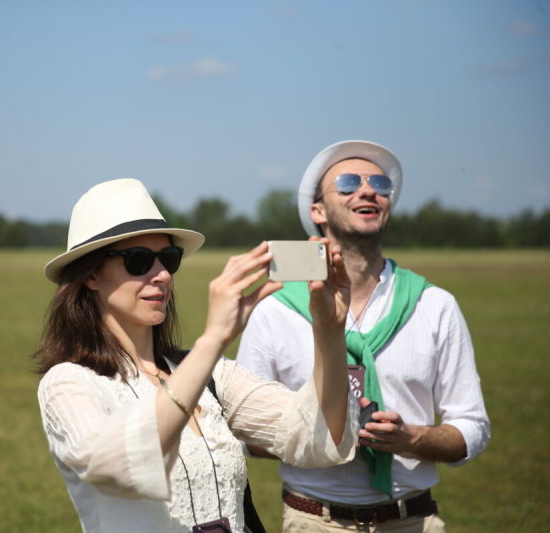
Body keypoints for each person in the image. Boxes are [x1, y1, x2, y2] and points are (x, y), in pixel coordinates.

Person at [35, 178, 360, 532]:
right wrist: (213, 339)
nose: (161, 275)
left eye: (169, 258)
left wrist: (329, 329)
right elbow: (116, 465)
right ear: (91, 275)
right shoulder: (68, 383)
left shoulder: (215, 375)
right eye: (138, 260)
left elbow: (317, 436)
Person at [236, 140, 491, 532]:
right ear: (317, 211)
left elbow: (472, 428)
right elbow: (245, 431)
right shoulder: (274, 310)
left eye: (381, 184)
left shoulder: (435, 305)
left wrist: (412, 438)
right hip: (314, 521)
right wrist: (323, 434)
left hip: (412, 520)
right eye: (349, 182)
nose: (368, 190)